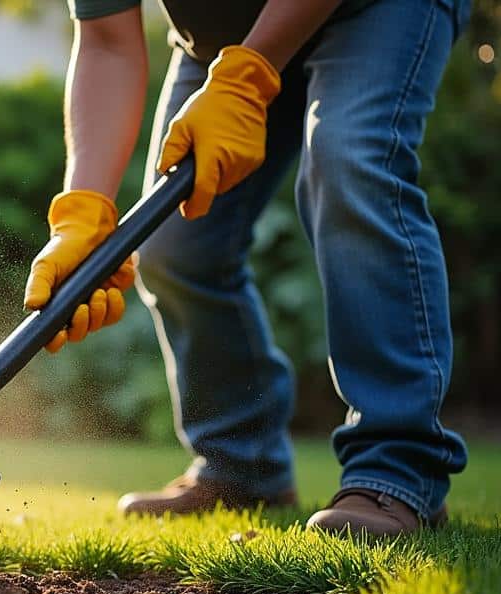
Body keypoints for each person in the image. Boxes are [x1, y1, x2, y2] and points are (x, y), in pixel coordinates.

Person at [25, 0, 470, 536]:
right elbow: (107, 42)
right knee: (175, 244)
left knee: (350, 158)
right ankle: (243, 467)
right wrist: (84, 208)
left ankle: (398, 471)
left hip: (378, 9)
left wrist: (248, 75)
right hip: (221, 39)